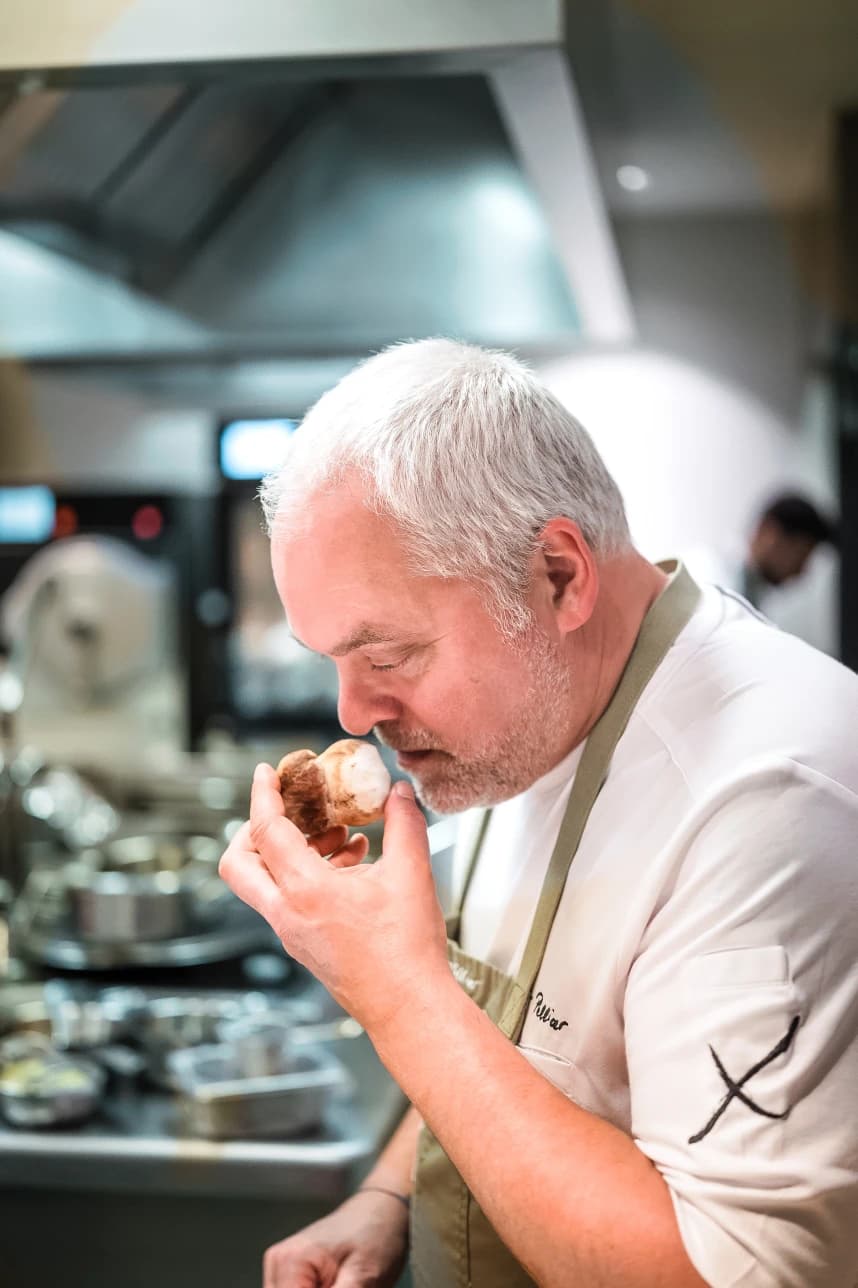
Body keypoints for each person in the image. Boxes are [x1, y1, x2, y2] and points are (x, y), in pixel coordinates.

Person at [219, 339, 858, 1288]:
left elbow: (738, 1273)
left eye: (386, 655)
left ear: (557, 575)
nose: (353, 715)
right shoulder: (522, 723)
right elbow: (516, 1042)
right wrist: (387, 1197)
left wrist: (395, 994)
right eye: (333, 661)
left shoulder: (769, 792)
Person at [739, 492, 838, 610]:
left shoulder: (751, 594)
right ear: (770, 532)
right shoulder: (718, 582)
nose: (800, 571)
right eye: (800, 556)